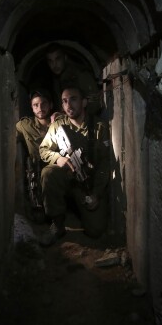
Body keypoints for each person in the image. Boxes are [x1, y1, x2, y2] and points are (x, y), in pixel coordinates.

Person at [38, 84, 110, 246]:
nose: (69, 105)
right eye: (64, 101)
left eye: (73, 99)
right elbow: (43, 149)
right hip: (66, 178)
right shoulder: (58, 125)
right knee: (48, 173)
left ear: (84, 102)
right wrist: (58, 158)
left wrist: (97, 194)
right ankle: (57, 224)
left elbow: (105, 164)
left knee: (96, 231)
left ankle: (80, 210)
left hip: (87, 183)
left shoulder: (98, 127)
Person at [16, 89, 56, 222]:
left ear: (50, 105)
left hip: (55, 166)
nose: (40, 108)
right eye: (36, 105)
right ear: (32, 108)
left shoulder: (58, 123)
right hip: (36, 167)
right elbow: (9, 132)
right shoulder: (25, 125)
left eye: (44, 104)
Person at [45, 43, 101, 116]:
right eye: (50, 61)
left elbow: (94, 103)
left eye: (58, 59)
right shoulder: (56, 79)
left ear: (65, 58)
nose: (54, 64)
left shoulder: (81, 74)